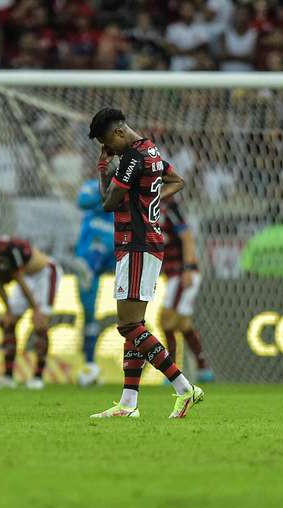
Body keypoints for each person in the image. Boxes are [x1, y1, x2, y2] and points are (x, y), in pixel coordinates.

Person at [87, 107, 203, 419]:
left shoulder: (132, 158)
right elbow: (176, 180)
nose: (109, 150)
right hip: (145, 244)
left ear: (119, 132)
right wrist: (152, 200)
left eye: (108, 143)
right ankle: (128, 403)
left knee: (128, 325)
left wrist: (103, 170)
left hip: (137, 244)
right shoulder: (150, 150)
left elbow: (108, 202)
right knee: (134, 326)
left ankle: (184, 387)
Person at [0, 235, 62, 390]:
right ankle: (8, 377)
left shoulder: (11, 250)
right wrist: (8, 310)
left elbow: (20, 281)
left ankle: (38, 377)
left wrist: (36, 310)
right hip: (26, 278)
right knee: (7, 323)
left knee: (40, 324)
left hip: (45, 274)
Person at [159, 198, 214, 383]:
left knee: (166, 320)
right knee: (183, 324)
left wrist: (189, 268)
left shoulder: (170, 208)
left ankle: (172, 371)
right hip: (173, 275)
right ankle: (203, 368)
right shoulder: (151, 208)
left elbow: (187, 237)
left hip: (182, 274)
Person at [73, 176, 115, 387]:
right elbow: (82, 201)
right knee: (89, 311)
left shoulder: (129, 189)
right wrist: (106, 189)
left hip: (115, 251)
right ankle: (90, 364)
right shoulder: (92, 187)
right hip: (88, 255)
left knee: (130, 311)